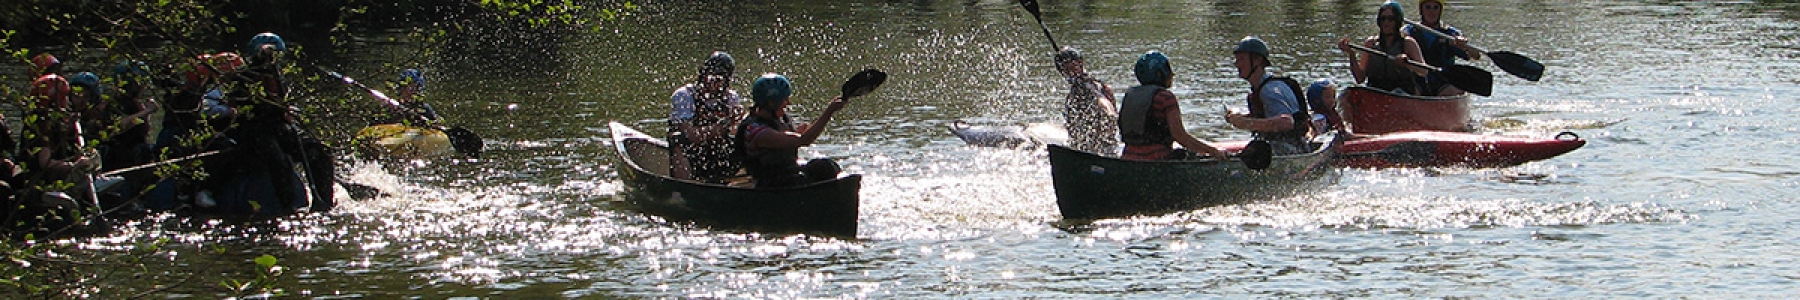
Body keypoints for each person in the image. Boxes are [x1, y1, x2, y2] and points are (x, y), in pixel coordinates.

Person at [734, 74, 845, 188]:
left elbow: (790, 139)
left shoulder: (777, 119)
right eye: (785, 99)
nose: (788, 103)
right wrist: (829, 111)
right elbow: (804, 140)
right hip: (768, 183)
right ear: (771, 103)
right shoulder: (757, 131)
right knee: (798, 179)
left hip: (785, 173)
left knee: (826, 166)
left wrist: (799, 132)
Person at [1116, 51, 1230, 161]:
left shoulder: (1129, 96)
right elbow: (1180, 136)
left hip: (1128, 158)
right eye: (1168, 69)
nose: (1172, 74)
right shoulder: (1165, 98)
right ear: (1159, 74)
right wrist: (1214, 151)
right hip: (1157, 161)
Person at [1225, 37, 1311, 155]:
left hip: (1292, 149)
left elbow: (1286, 122)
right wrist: (1240, 117)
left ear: (1257, 60)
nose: (1236, 64)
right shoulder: (1262, 87)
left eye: (1241, 59)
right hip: (1287, 146)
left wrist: (1246, 123)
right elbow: (1268, 115)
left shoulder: (1269, 91)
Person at [668, 51, 744, 183]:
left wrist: (739, 121)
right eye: (711, 76)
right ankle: (683, 186)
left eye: (720, 79)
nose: (713, 82)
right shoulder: (684, 96)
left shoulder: (731, 98)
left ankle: (734, 181)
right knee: (678, 138)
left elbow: (735, 133)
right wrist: (725, 124)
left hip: (717, 153)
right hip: (693, 154)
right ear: (703, 75)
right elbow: (692, 136)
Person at [1337, 1, 1431, 95]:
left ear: (1397, 21)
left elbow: (1424, 71)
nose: (1386, 22)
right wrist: (1351, 54)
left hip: (1401, 92)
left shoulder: (1408, 43)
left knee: (1396, 93)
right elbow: (1359, 78)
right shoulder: (1371, 43)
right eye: (1383, 19)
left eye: (1391, 19)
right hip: (1375, 90)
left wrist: (1407, 63)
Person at [1405, 0, 1482, 96]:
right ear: (1421, 10)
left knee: (1452, 91)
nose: (1431, 11)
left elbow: (1476, 56)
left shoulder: (1451, 34)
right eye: (1428, 7)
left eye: (1435, 7)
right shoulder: (1409, 30)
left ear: (1440, 10)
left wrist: (1464, 46)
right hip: (1417, 81)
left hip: (1444, 81)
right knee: (1407, 89)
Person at [1054, 47, 1121, 155]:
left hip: (1101, 148)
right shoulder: (1076, 91)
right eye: (1065, 70)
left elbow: (1102, 100)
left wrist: (1110, 112)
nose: (1070, 73)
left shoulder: (1087, 85)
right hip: (1087, 146)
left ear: (1080, 64)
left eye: (1072, 67)